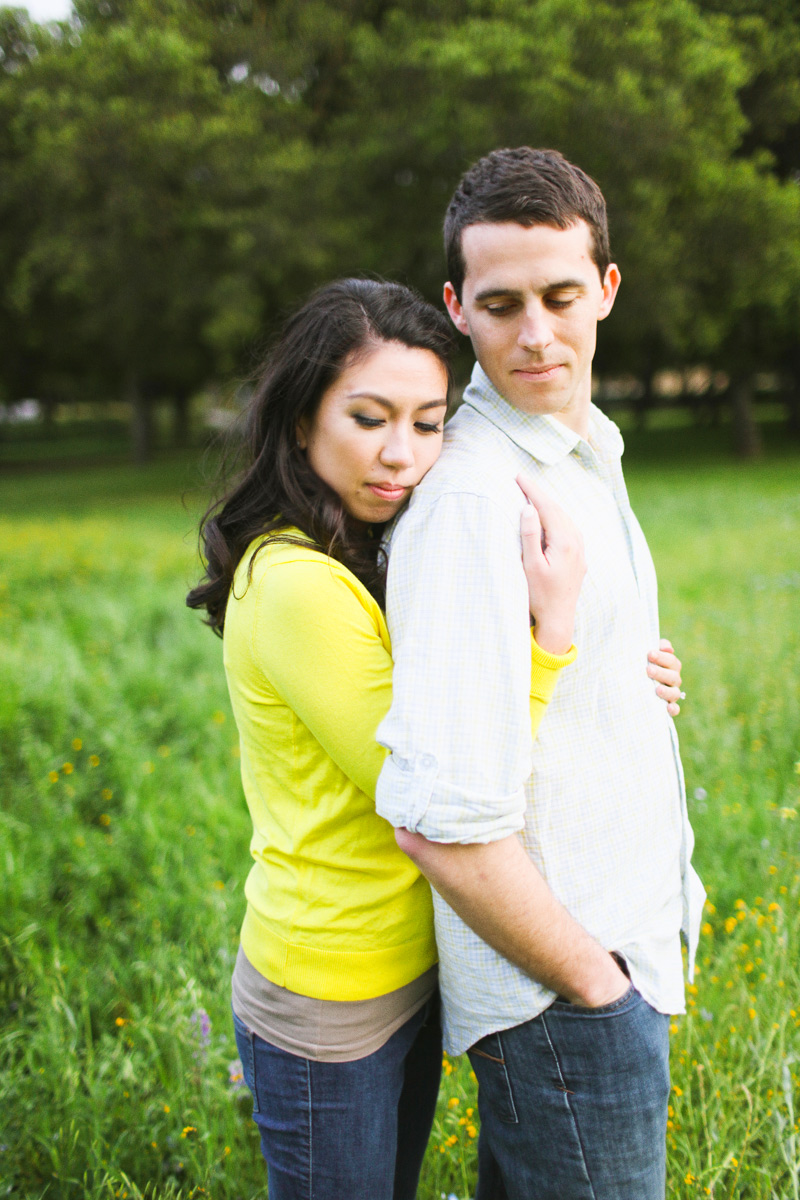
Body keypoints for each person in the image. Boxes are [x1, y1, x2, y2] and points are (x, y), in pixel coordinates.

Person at [186, 276, 594, 1200]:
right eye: (370, 418)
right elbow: (427, 778)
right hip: (330, 993)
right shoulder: (295, 584)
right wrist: (552, 639)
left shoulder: (367, 548)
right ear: (300, 420)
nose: (402, 455)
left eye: (427, 422)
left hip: (406, 967)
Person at [375, 148, 705, 1200]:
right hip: (563, 989)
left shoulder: (579, 452)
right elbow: (438, 819)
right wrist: (592, 988)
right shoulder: (475, 499)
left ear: (605, 289)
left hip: (612, 957)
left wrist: (626, 670)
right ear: (455, 306)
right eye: (501, 302)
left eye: (560, 296)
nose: (534, 333)